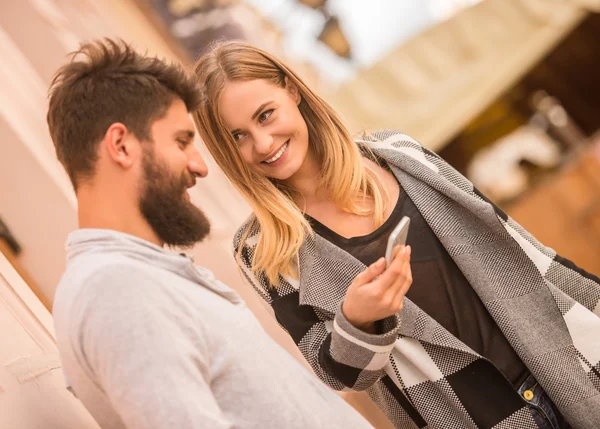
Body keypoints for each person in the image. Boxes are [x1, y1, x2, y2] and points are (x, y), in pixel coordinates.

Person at [192, 40, 600, 429]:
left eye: (266, 115)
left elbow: (521, 248)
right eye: (238, 136)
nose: (263, 143)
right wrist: (357, 321)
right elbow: (339, 376)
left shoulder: (399, 153)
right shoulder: (263, 250)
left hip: (571, 372)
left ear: (293, 92)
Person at [47, 38, 376, 429]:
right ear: (121, 145)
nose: (200, 166)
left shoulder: (132, 280)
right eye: (182, 141)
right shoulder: (118, 292)